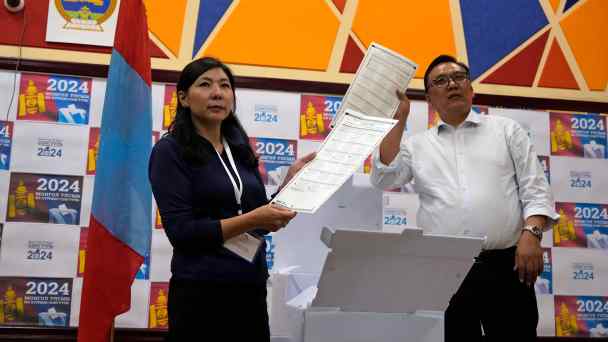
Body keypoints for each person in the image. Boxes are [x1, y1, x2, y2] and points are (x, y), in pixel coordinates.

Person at [370, 55, 559, 341]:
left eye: (459, 77)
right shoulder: (418, 145)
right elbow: (385, 177)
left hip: (507, 265)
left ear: (471, 89)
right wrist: (399, 120)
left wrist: (531, 233)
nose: (452, 84)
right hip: (444, 269)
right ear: (430, 99)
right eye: (440, 81)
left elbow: (535, 187)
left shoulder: (506, 130)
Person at [148, 57, 314, 341]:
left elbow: (260, 224)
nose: (217, 93)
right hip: (201, 292)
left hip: (249, 287)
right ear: (184, 98)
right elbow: (183, 233)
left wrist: (289, 186)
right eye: (205, 85)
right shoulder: (170, 151)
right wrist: (254, 218)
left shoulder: (239, 149)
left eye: (225, 86)